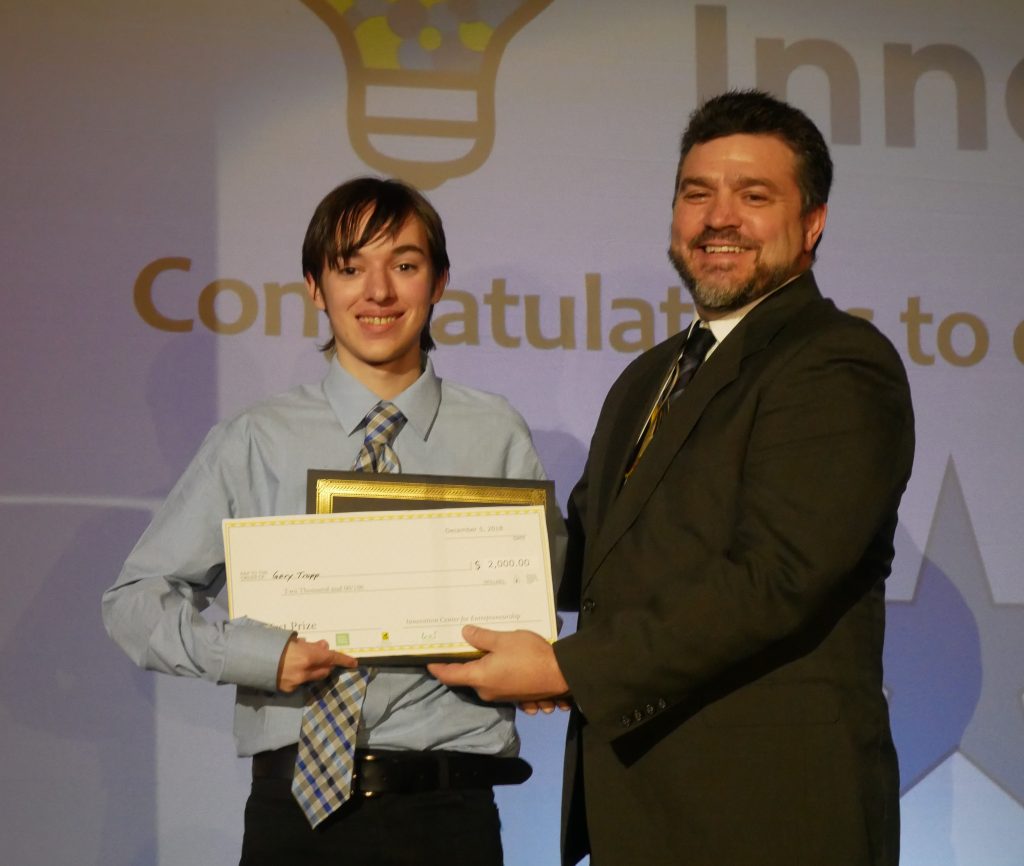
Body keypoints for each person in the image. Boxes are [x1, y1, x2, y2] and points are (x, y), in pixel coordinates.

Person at [429, 90, 915, 866]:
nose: (718, 218)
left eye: (753, 196)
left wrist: (566, 666)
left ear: (812, 222)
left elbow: (774, 579)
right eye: (698, 194)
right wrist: (412, 561)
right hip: (642, 807)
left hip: (772, 813)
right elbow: (591, 555)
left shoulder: (837, 363)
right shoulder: (650, 374)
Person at [103, 177, 552, 865]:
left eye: (404, 265)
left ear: (438, 283)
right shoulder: (256, 439)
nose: (378, 291)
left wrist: (535, 662)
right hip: (296, 816)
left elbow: (531, 599)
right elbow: (134, 603)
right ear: (316, 287)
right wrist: (260, 655)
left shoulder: (495, 434)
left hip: (449, 814)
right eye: (349, 267)